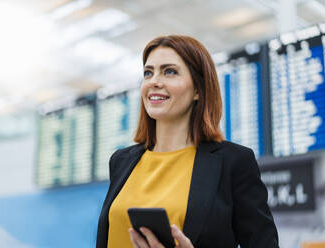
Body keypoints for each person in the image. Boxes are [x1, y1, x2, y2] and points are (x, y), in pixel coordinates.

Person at [96, 35, 279, 248]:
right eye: (148, 72)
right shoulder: (121, 161)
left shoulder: (234, 162)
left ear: (199, 90)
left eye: (169, 71)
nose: (154, 81)